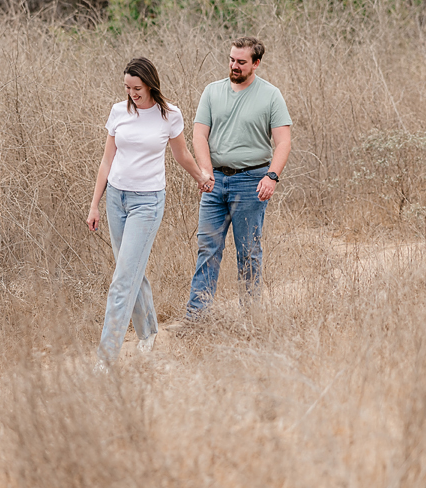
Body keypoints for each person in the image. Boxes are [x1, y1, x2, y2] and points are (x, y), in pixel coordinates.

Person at [87, 57, 212, 369]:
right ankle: (149, 331)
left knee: (122, 279)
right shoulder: (119, 112)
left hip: (148, 202)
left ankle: (106, 357)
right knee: (130, 270)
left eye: (137, 87)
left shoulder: (169, 115)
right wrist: (95, 204)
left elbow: (181, 154)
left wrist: (200, 177)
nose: (132, 93)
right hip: (116, 199)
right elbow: (106, 161)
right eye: (127, 87)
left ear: (150, 84)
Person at [185, 37, 292, 317]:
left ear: (256, 64)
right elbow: (199, 135)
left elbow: (283, 142)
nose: (234, 65)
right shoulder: (212, 92)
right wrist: (204, 173)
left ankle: (250, 316)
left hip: (251, 181)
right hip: (215, 181)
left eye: (241, 62)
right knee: (207, 248)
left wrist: (272, 177)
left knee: (247, 253)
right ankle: (197, 316)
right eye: (232, 59)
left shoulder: (270, 95)